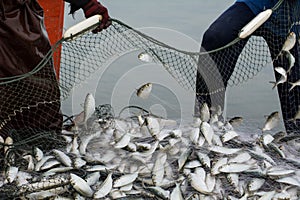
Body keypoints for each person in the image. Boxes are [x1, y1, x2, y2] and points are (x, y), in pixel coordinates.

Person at [0, 0, 110, 148]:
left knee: (38, 91)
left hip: (16, 21)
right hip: (13, 21)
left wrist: (88, 3)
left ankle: (36, 144)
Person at [195, 0, 300, 134]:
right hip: (256, 4)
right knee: (216, 38)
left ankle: (295, 142)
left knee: (294, 85)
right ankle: (206, 127)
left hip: (294, 20)